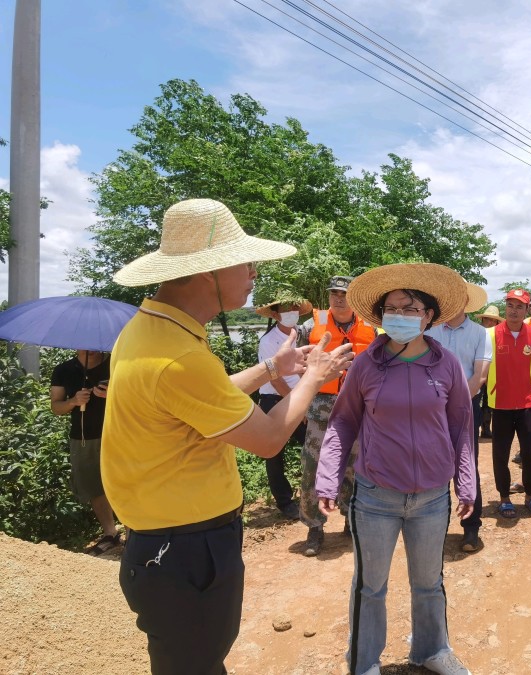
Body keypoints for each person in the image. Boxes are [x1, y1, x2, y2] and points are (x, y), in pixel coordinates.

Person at [103, 198, 354, 675]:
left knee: (192, 661)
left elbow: (200, 400)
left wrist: (269, 369)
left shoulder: (153, 332)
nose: (253, 272)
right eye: (245, 261)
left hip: (165, 542)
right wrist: (313, 377)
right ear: (208, 273)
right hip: (186, 548)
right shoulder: (179, 357)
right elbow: (268, 438)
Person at [316, 262, 476, 675]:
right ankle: (364, 661)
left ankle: (431, 650)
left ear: (428, 315)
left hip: (431, 498)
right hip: (375, 497)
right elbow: (344, 421)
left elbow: (461, 426)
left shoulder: (446, 366)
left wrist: (467, 483)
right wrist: (328, 477)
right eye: (391, 307)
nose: (398, 315)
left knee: (429, 583)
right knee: (370, 587)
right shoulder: (367, 365)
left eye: (409, 307)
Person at [298, 275, 377, 556]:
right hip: (321, 406)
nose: (338, 298)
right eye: (334, 293)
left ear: (353, 296)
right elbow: (298, 367)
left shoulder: (373, 328)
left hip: (358, 407)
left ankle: (351, 519)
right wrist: (300, 405)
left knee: (356, 466)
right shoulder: (310, 325)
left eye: (343, 293)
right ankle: (314, 527)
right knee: (313, 466)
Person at [425, 281, 491, 553]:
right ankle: (435, 527)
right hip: (431, 408)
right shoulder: (429, 332)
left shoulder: (479, 333)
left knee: (467, 462)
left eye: (458, 297)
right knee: (434, 464)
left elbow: (480, 375)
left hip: (466, 407)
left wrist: (456, 403)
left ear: (465, 301)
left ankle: (471, 527)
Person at [50, 349, 119, 554]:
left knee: (124, 482)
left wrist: (113, 392)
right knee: (92, 485)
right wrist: (73, 402)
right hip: (82, 437)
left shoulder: (116, 363)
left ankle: (135, 534)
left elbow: (139, 394)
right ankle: (111, 534)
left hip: (117, 433)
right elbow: (55, 406)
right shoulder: (63, 370)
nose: (89, 347)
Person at [487, 288, 531, 518]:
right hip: (499, 403)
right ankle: (504, 497)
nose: (514, 311)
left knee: (530, 453)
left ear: (527, 310)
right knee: (500, 454)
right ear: (505, 308)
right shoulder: (490, 335)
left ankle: (530, 495)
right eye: (510, 306)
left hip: (527, 403)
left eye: (519, 306)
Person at [255, 296, 314, 520]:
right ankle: (284, 502)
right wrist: (298, 407)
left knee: (312, 446)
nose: (291, 312)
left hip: (299, 397)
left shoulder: (301, 333)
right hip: (276, 399)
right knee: (274, 453)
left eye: (294, 308)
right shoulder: (269, 341)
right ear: (276, 314)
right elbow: (276, 380)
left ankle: (318, 494)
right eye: (285, 309)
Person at [475, 305, 502, 439]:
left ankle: (486, 428)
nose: (490, 322)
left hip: (493, 374)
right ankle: (475, 425)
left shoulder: (499, 337)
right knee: (475, 399)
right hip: (477, 372)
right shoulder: (477, 334)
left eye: (493, 320)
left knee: (489, 402)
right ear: (483, 320)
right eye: (487, 319)